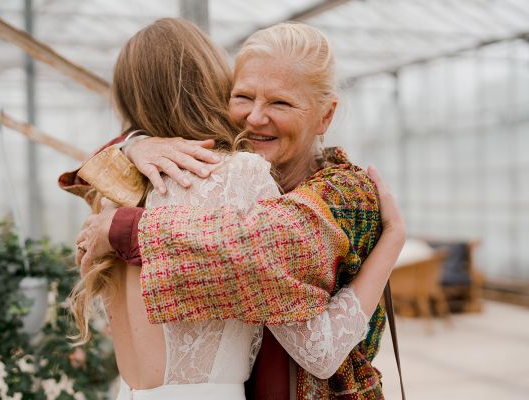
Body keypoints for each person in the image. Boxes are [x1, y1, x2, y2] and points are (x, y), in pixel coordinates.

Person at [68, 21, 405, 400]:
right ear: (215, 91)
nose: (255, 117)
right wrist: (134, 144)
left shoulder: (343, 193)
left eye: (280, 102)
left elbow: (244, 251)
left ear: (325, 116)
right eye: (242, 96)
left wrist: (394, 238)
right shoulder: (189, 170)